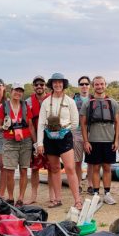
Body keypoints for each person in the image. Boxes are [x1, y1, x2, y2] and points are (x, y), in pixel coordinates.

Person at [37, 73, 82, 209]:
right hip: (49, 137)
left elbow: (75, 122)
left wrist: (65, 130)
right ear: (51, 84)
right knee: (55, 168)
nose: (57, 85)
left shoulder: (70, 101)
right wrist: (39, 143)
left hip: (64, 136)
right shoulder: (46, 102)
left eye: (60, 82)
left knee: (69, 168)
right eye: (55, 83)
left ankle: (77, 200)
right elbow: (40, 123)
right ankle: (57, 199)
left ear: (64, 84)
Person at [80, 76, 119, 204]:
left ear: (105, 85)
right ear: (93, 86)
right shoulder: (88, 103)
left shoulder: (112, 102)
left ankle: (107, 194)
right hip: (93, 141)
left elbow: (118, 122)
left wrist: (117, 140)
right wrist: (86, 141)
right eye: (97, 84)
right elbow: (83, 124)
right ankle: (96, 194)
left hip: (109, 140)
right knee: (95, 168)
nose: (99, 87)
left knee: (107, 167)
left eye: (102, 84)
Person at [0, 83, 36, 207]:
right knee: (9, 171)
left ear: (22, 93)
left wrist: (35, 143)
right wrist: (4, 126)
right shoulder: (3, 107)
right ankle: (10, 198)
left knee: (24, 169)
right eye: (16, 90)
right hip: (10, 141)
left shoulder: (25, 106)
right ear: (11, 91)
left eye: (20, 91)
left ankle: (20, 198)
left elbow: (30, 126)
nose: (18, 93)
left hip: (25, 141)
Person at [24, 75, 54, 204]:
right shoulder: (28, 102)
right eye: (36, 85)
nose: (39, 87)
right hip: (34, 136)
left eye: (41, 84)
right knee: (35, 168)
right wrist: (36, 142)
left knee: (51, 167)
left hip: (50, 136)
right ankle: (33, 195)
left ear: (45, 86)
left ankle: (52, 195)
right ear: (33, 87)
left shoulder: (51, 99)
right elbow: (29, 124)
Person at [73, 76, 93, 194]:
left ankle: (90, 184)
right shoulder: (73, 100)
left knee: (90, 160)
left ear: (89, 86)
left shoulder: (94, 99)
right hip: (77, 132)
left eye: (86, 84)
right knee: (77, 160)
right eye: (82, 84)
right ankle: (79, 184)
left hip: (91, 132)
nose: (84, 86)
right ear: (79, 86)